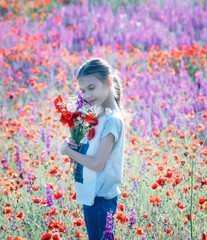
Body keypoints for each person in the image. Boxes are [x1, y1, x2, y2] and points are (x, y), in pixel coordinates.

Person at [60, 58, 126, 240]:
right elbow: (95, 153)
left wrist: (68, 151)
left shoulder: (112, 120)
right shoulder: (101, 116)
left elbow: (97, 163)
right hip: (94, 196)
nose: (87, 95)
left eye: (91, 88)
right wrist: (79, 147)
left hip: (100, 199)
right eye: (82, 90)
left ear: (108, 82)